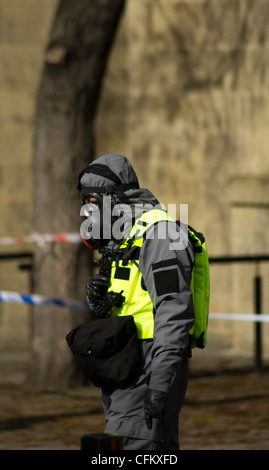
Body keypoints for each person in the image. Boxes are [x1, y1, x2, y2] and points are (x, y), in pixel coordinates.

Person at [77, 153, 195, 450]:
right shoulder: (126, 239)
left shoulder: (161, 235)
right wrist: (100, 298)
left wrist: (160, 383)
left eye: (95, 203)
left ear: (116, 198)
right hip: (125, 369)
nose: (89, 214)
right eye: (86, 204)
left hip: (149, 368)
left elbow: (174, 311)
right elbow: (134, 303)